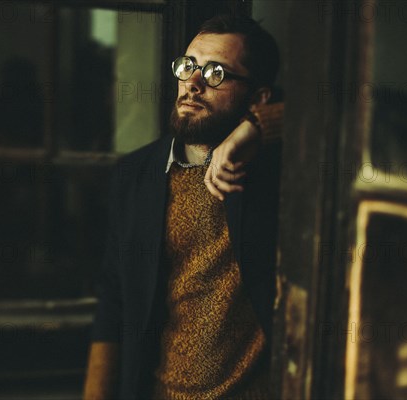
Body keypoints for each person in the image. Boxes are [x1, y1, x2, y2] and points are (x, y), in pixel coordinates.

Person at [84, 14, 283, 399]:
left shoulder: (277, 170)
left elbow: (356, 110)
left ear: (259, 97)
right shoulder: (136, 174)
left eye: (216, 74)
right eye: (188, 66)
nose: (192, 84)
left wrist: (256, 127)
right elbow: (113, 299)